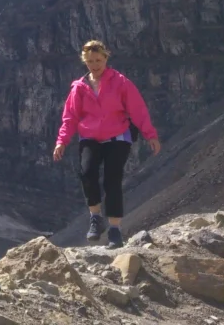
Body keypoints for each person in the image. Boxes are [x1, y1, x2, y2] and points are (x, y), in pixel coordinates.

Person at [53, 39, 161, 249]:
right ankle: (96, 218)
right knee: (87, 172)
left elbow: (138, 110)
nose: (95, 65)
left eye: (99, 60)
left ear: (106, 58)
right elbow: (70, 117)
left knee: (113, 179)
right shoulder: (79, 88)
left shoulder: (120, 82)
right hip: (90, 137)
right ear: (85, 62)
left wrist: (151, 135)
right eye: (91, 61)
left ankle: (115, 230)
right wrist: (62, 141)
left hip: (117, 136)